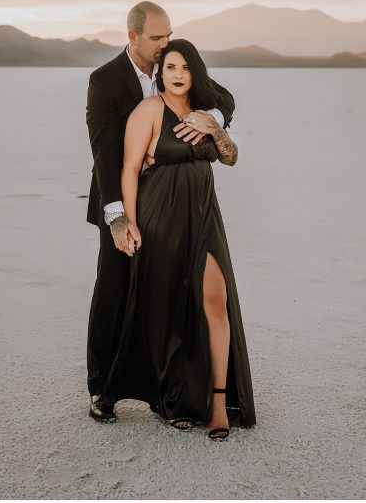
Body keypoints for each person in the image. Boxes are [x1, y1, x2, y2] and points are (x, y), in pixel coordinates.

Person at [84, 2, 235, 422]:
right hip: (124, 204)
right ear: (132, 36)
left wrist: (211, 118)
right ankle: (102, 389)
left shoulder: (177, 67)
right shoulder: (106, 81)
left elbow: (225, 99)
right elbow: (106, 155)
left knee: (170, 295)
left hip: (179, 207)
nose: (164, 44)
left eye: (168, 36)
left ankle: (164, 389)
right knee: (116, 292)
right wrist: (119, 220)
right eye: (156, 38)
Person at [103, 40, 255, 440]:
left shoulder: (205, 113)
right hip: (161, 217)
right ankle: (175, 398)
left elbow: (231, 157)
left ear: (195, 72)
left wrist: (214, 127)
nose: (177, 74)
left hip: (205, 216)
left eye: (185, 67)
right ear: (161, 72)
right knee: (168, 308)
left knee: (215, 302)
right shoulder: (149, 111)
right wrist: (130, 224)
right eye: (170, 66)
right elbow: (130, 169)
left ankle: (220, 403)